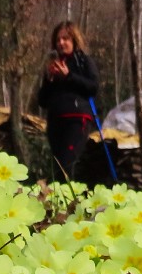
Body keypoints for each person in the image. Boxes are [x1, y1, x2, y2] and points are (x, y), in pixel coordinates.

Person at [37, 21, 99, 181]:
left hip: (77, 120)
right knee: (57, 166)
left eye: (65, 39)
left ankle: (68, 202)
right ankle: (59, 203)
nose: (61, 43)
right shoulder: (53, 65)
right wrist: (50, 80)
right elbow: (42, 101)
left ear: (74, 40)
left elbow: (93, 87)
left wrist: (69, 76)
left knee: (66, 164)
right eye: (58, 40)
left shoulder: (83, 61)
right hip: (55, 122)